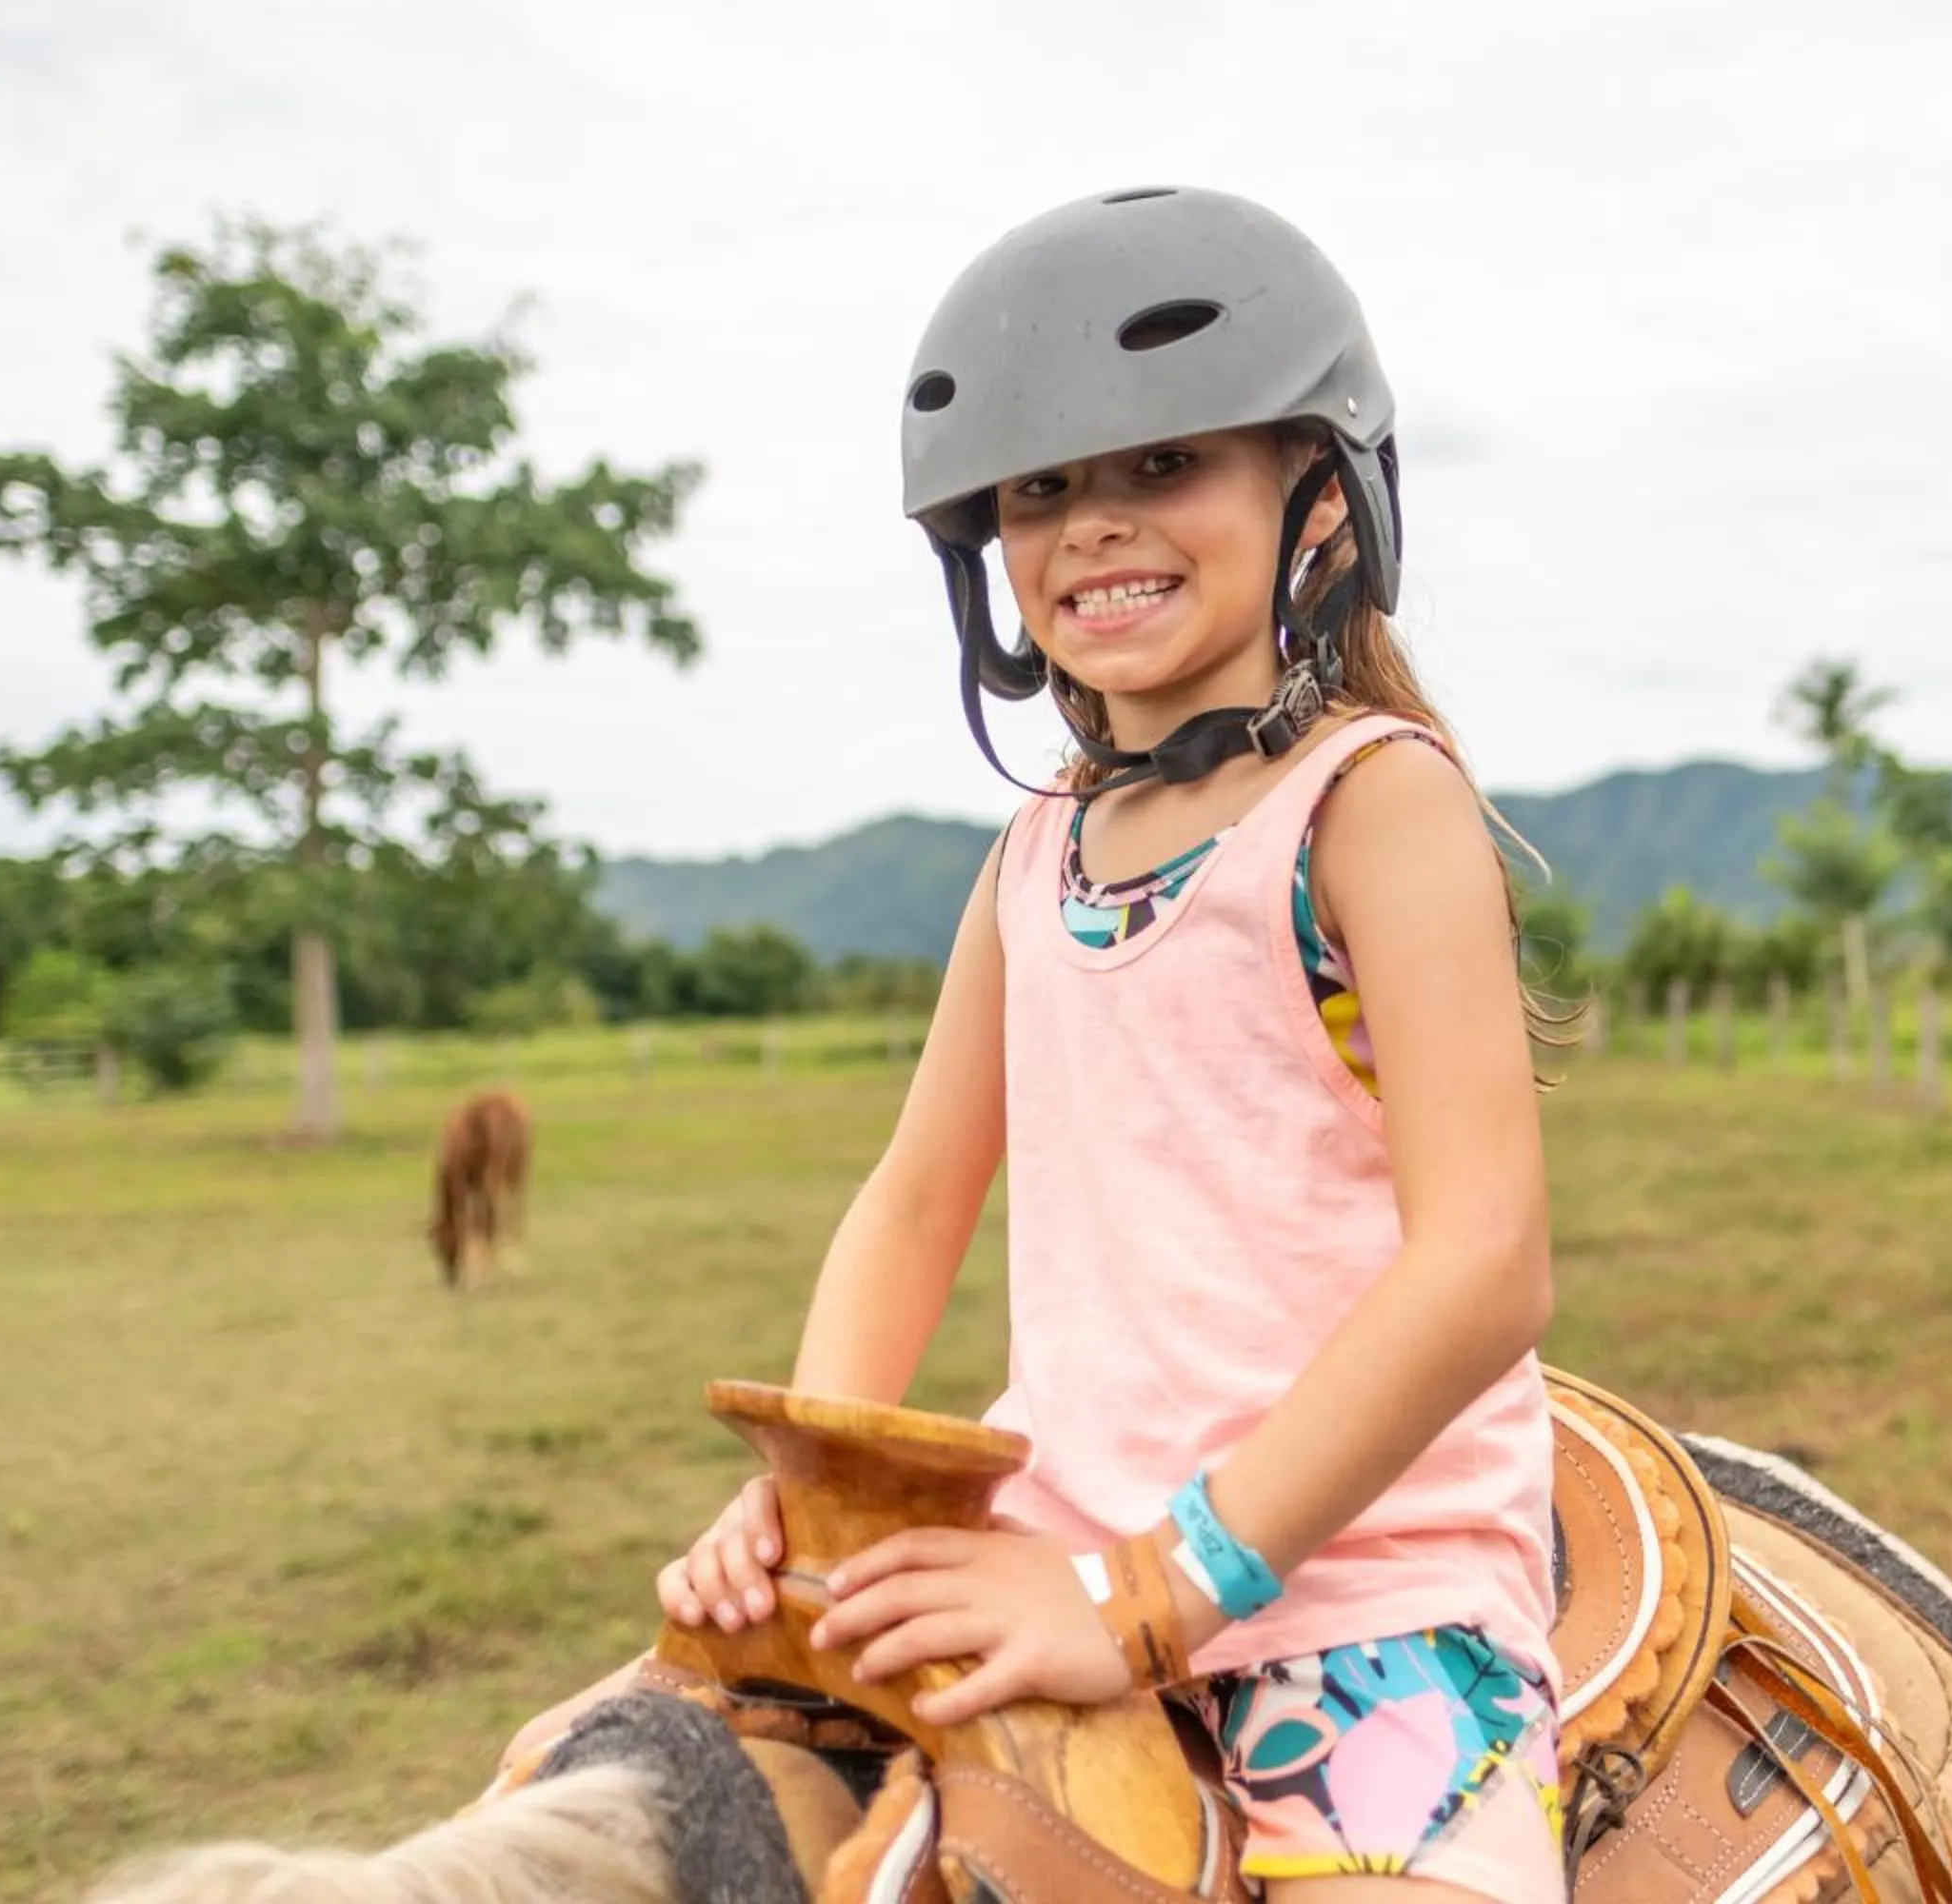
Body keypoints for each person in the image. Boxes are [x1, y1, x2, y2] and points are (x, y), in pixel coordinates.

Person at [538, 186, 1570, 1902]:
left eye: (1164, 464)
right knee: (584, 1784)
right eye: (1040, 490)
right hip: (1050, 1534)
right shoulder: (1036, 856)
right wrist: (816, 1494)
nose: (1094, 526)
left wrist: (1157, 1595)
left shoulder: (1374, 804)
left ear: (1320, 492)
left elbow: (1486, 1261)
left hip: (1358, 1590)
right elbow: (912, 1198)